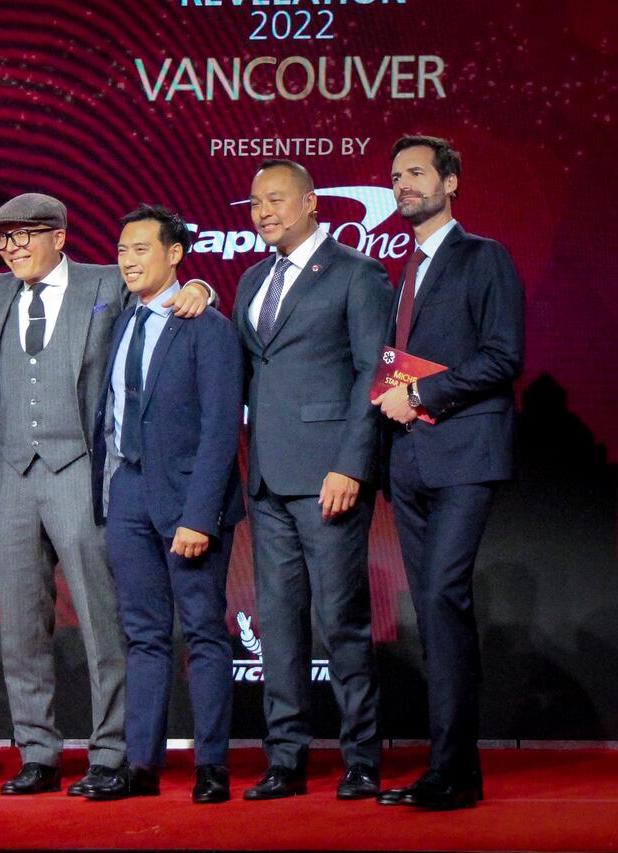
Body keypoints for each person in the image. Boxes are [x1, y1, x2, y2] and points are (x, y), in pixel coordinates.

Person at [0, 192, 215, 797]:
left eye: (25, 235)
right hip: (12, 474)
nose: (13, 249)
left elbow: (161, 284)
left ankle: (111, 752)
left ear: (60, 235)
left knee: (103, 616)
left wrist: (202, 289)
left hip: (82, 467)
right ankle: (38, 752)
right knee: (21, 623)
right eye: (3, 240)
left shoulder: (106, 281)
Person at [232, 160, 392, 801]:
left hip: (330, 474)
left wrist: (352, 464)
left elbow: (371, 376)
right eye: (253, 203)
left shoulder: (357, 274)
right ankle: (285, 757)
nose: (263, 211)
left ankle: (361, 758)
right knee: (277, 622)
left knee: (343, 620)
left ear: (311, 203)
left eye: (275, 199)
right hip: (268, 478)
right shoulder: (249, 280)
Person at [373, 135, 524, 810]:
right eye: (396, 176)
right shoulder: (402, 269)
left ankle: (454, 769)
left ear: (451, 182)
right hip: (409, 462)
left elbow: (503, 356)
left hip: (465, 453)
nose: (403, 184)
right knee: (434, 614)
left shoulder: (484, 257)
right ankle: (450, 765)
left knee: (441, 598)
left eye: (416, 173)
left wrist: (423, 396)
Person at [85, 205, 244, 802]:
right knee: (144, 635)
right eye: (122, 249)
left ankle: (211, 766)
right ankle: (142, 765)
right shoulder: (122, 319)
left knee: (203, 630)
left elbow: (221, 429)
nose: (128, 259)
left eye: (142, 249)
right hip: (126, 492)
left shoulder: (208, 326)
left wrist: (199, 515)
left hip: (187, 499)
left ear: (175, 254)